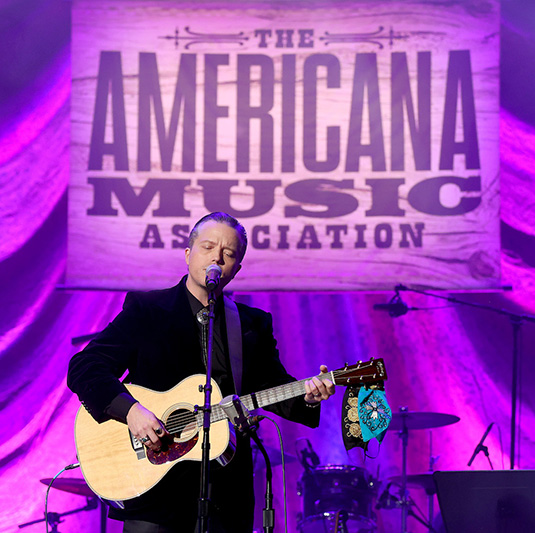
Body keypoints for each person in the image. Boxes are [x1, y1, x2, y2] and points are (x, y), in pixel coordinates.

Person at [67, 211, 335, 533]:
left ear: (236, 269)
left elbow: (273, 387)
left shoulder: (252, 325)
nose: (216, 259)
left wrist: (308, 396)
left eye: (228, 254)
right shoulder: (148, 310)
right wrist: (132, 411)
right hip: (155, 492)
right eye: (208, 247)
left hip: (227, 492)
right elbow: (85, 367)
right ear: (188, 254)